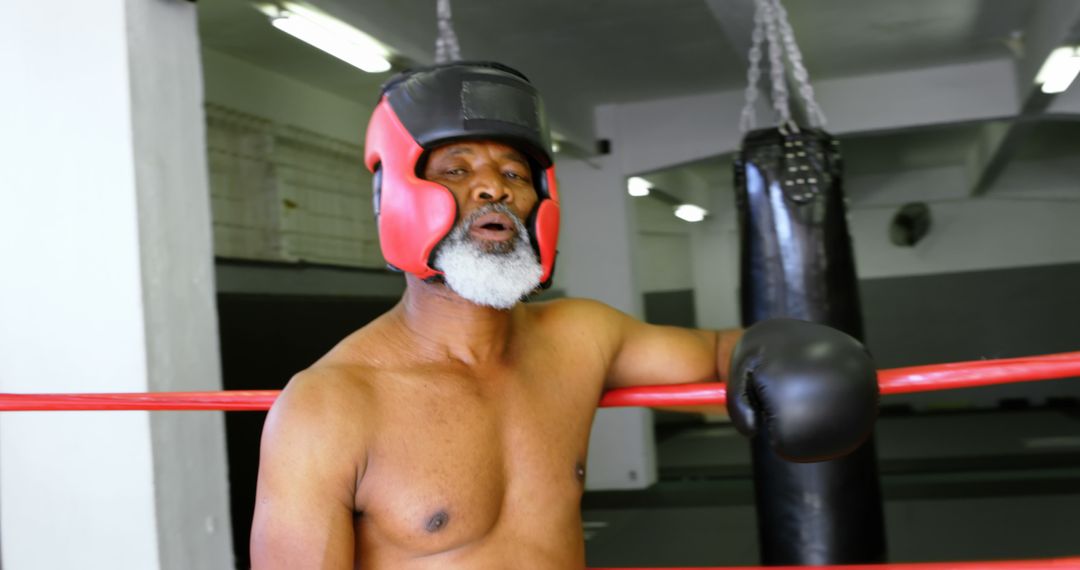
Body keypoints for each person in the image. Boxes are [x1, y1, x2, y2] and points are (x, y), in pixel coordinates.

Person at [250, 62, 878, 569]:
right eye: (458, 169)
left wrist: (798, 354)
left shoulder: (581, 337)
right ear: (397, 197)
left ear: (538, 199)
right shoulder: (329, 406)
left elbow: (720, 351)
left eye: (513, 173)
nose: (493, 188)